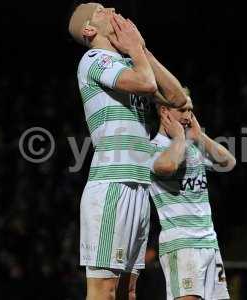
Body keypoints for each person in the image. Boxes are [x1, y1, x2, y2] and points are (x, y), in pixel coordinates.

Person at [68, 3, 187, 300]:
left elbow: (178, 99)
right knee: (103, 292)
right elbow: (146, 83)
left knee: (127, 292)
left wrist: (142, 50)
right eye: (99, 10)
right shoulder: (93, 59)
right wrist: (134, 49)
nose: (110, 8)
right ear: (89, 29)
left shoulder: (130, 63)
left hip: (138, 186)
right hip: (112, 186)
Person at [149, 89, 236, 299]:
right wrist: (179, 137)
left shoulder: (193, 146)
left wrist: (200, 136)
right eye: (182, 109)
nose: (188, 116)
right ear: (164, 112)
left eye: (190, 110)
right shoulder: (149, 148)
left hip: (209, 242)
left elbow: (229, 162)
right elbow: (168, 165)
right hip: (181, 243)